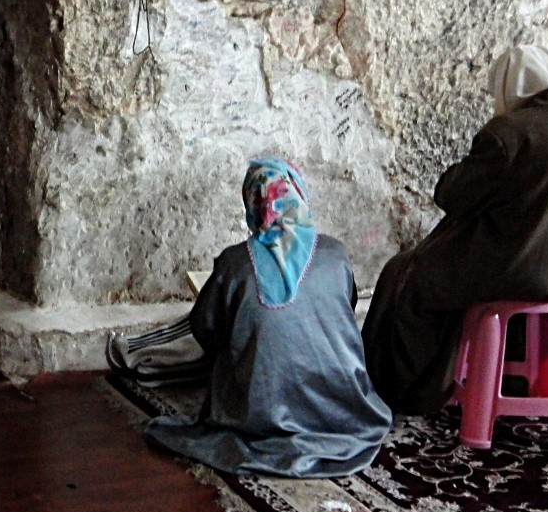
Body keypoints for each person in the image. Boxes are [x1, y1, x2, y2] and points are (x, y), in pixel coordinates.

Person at [363, 44, 548, 415]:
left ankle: (402, 392)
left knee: (405, 273)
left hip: (533, 274)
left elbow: (453, 195)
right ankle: (512, 377)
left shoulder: (510, 133)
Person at [144, 157, 392, 477]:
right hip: (339, 401)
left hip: (260, 409)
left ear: (253, 204)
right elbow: (347, 306)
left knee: (232, 352)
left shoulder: (233, 263)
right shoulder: (336, 253)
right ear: (298, 194)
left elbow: (205, 328)